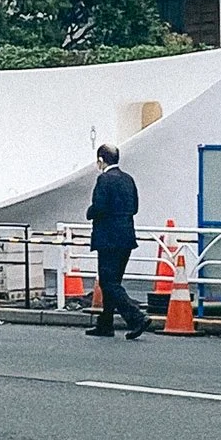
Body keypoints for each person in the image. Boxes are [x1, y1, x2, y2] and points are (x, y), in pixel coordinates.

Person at [85, 142, 146, 339]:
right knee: (113, 281)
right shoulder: (128, 179)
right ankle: (106, 324)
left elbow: (99, 207)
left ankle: (136, 318)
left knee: (108, 282)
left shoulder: (104, 180)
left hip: (108, 238)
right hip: (126, 236)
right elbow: (134, 207)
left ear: (101, 160)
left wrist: (90, 212)